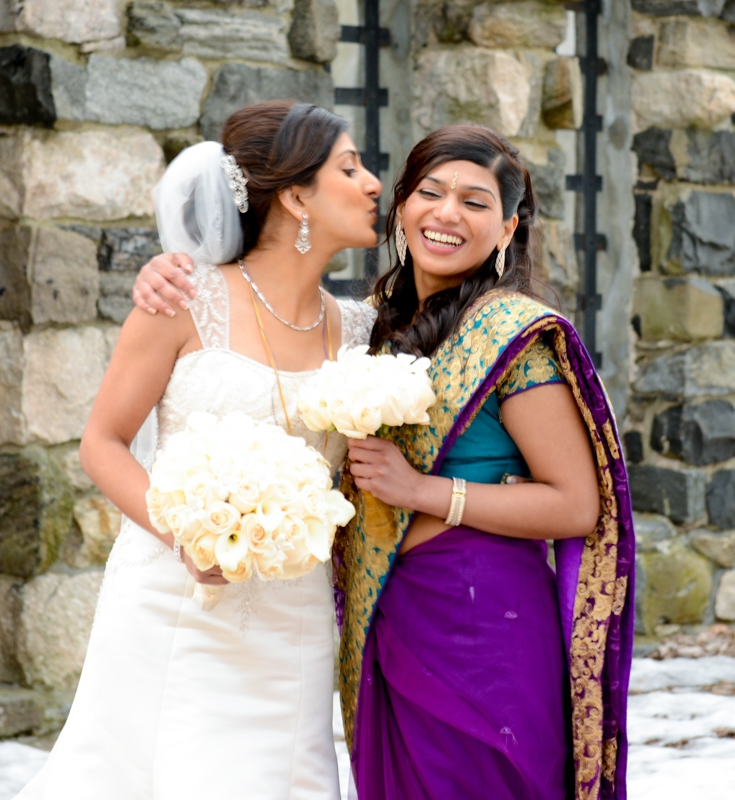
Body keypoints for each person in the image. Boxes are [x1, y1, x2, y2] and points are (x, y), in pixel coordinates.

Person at [134, 124, 634, 800]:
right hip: (388, 617)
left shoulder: (516, 338)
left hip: (484, 623)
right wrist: (169, 272)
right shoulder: (372, 326)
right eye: (430, 192)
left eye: (476, 202)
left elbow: (575, 504)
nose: (448, 213)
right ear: (402, 207)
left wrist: (425, 491)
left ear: (508, 228)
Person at [14, 101, 382, 800]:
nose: (372, 184)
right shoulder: (183, 298)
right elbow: (102, 443)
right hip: (175, 599)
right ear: (295, 196)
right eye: (349, 168)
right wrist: (185, 534)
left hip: (294, 620)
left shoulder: (364, 329)